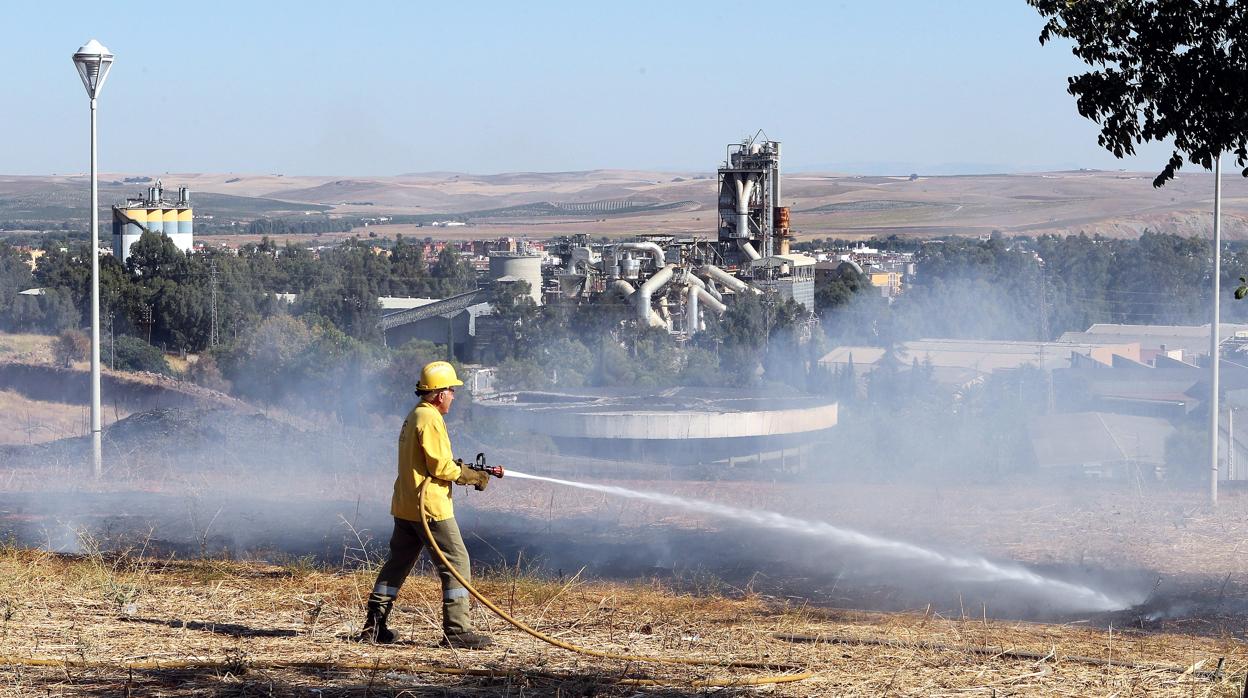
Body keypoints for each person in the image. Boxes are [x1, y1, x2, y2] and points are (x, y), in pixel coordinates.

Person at [360, 360, 494, 648]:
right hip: (430, 508)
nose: (454, 397)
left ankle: (373, 626)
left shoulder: (415, 415)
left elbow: (426, 461)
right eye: (451, 391)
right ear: (439, 393)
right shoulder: (431, 418)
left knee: (397, 564)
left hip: (406, 505)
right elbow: (441, 468)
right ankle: (457, 631)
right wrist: (471, 476)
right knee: (457, 562)